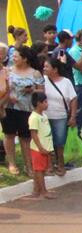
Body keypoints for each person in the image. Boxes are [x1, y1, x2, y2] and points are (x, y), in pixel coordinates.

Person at [3, 45, 44, 174]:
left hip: (27, 109)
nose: (13, 58)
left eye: (16, 56)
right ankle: (12, 163)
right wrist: (8, 96)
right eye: (12, 56)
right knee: (9, 135)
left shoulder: (35, 73)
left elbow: (42, 90)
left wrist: (32, 90)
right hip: (9, 108)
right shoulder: (8, 71)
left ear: (25, 59)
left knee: (25, 138)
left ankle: (29, 165)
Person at [42, 56, 77, 176]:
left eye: (47, 66)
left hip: (60, 116)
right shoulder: (42, 80)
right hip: (45, 116)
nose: (44, 68)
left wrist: (72, 116)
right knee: (47, 141)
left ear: (55, 69)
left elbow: (73, 99)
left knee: (59, 142)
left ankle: (61, 164)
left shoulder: (66, 82)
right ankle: (50, 165)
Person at [27, 92, 55, 199]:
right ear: (38, 103)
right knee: (39, 170)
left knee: (41, 170)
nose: (47, 104)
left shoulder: (44, 115)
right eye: (45, 102)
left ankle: (36, 190)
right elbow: (33, 134)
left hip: (45, 148)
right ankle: (44, 191)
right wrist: (40, 148)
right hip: (38, 149)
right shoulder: (34, 117)